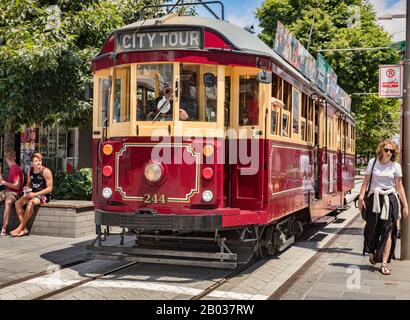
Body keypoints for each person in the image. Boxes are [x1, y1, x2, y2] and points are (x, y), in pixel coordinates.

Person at [358, 139, 408, 275]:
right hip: (374, 199)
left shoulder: (395, 166)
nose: (389, 153)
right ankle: (374, 255)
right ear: (381, 150)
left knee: (388, 231)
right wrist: (361, 197)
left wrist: (405, 205)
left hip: (390, 199)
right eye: (386, 150)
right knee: (373, 230)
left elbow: (399, 186)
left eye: (392, 151)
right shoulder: (372, 163)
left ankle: (384, 263)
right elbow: (366, 181)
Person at [11, 152, 53, 237]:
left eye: (40, 160)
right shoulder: (30, 171)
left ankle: (20, 228)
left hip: (43, 195)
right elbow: (28, 183)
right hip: (32, 193)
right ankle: (24, 228)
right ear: (31, 163)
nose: (38, 163)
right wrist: (26, 188)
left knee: (31, 203)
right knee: (17, 203)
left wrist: (35, 194)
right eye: (36, 161)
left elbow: (49, 188)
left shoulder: (46, 171)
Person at [0, 150, 24, 236]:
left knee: (8, 202)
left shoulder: (15, 168)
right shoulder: (13, 168)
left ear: (7, 159)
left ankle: (4, 228)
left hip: (15, 193)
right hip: (8, 191)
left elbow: (17, 186)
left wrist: (4, 183)